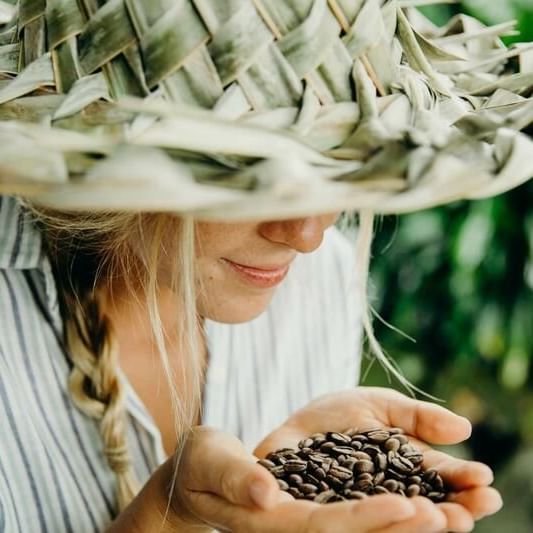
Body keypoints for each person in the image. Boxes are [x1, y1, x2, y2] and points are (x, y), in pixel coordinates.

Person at [0, 194, 501, 532]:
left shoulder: (320, 277)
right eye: (252, 172)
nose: (308, 234)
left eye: (335, 163)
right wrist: (169, 518)